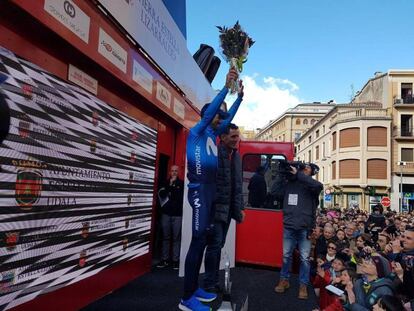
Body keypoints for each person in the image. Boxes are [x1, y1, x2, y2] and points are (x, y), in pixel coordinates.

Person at [179, 68, 243, 311]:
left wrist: (239, 99)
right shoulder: (196, 132)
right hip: (199, 194)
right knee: (197, 243)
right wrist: (227, 87)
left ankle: (195, 289)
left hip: (209, 194)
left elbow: (227, 119)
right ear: (207, 115)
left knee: (203, 241)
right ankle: (186, 299)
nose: (221, 119)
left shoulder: (213, 134)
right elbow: (214, 113)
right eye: (217, 115)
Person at [203, 123, 245, 292]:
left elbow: (237, 185)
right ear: (223, 137)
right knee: (214, 246)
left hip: (228, 210)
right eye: (233, 136)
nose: (237, 139)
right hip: (215, 210)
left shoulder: (236, 155)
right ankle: (209, 283)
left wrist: (240, 208)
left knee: (218, 245)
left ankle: (213, 281)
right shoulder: (214, 154)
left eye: (238, 135)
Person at [272, 162, 323, 299]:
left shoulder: (312, 186)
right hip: (289, 226)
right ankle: (284, 280)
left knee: (305, 259)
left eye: (306, 168)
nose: (302, 169)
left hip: (305, 228)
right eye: (302, 167)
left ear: (311, 172)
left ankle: (303, 285)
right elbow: (274, 192)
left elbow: (319, 186)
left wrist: (298, 175)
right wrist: (282, 175)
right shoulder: (290, 183)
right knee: (286, 256)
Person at [157, 165, 184, 270]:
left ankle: (175, 261)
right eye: (172, 171)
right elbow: (162, 195)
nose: (174, 173)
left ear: (178, 173)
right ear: (169, 172)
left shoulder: (181, 184)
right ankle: (165, 260)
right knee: (166, 237)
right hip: (166, 214)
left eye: (176, 171)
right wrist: (170, 185)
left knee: (176, 238)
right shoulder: (165, 183)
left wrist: (173, 187)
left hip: (177, 215)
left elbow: (180, 197)